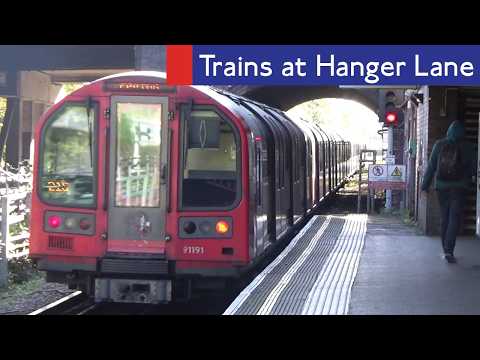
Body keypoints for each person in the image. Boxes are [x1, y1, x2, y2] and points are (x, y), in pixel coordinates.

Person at [421, 120, 477, 263]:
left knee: (445, 217)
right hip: (460, 188)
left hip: (442, 187)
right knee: (454, 218)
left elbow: (431, 167)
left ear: (448, 131)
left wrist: (424, 186)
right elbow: (474, 168)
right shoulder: (468, 147)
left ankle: (445, 250)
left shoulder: (439, 145)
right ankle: (449, 250)